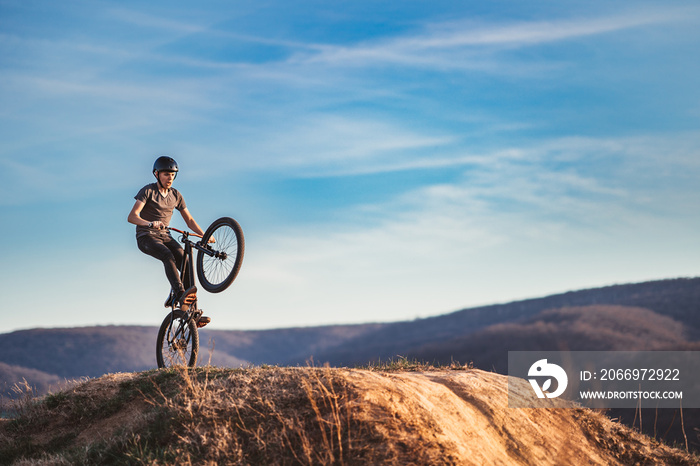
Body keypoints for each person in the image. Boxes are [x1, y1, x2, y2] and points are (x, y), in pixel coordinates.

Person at [128, 156, 210, 326]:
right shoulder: (148, 191)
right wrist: (149, 223)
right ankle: (180, 293)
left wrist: (205, 235)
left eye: (173, 175)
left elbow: (189, 220)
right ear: (157, 174)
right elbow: (132, 217)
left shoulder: (176, 195)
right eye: (166, 174)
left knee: (185, 261)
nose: (170, 178)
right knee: (167, 255)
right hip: (146, 236)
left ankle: (192, 311)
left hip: (165, 236)